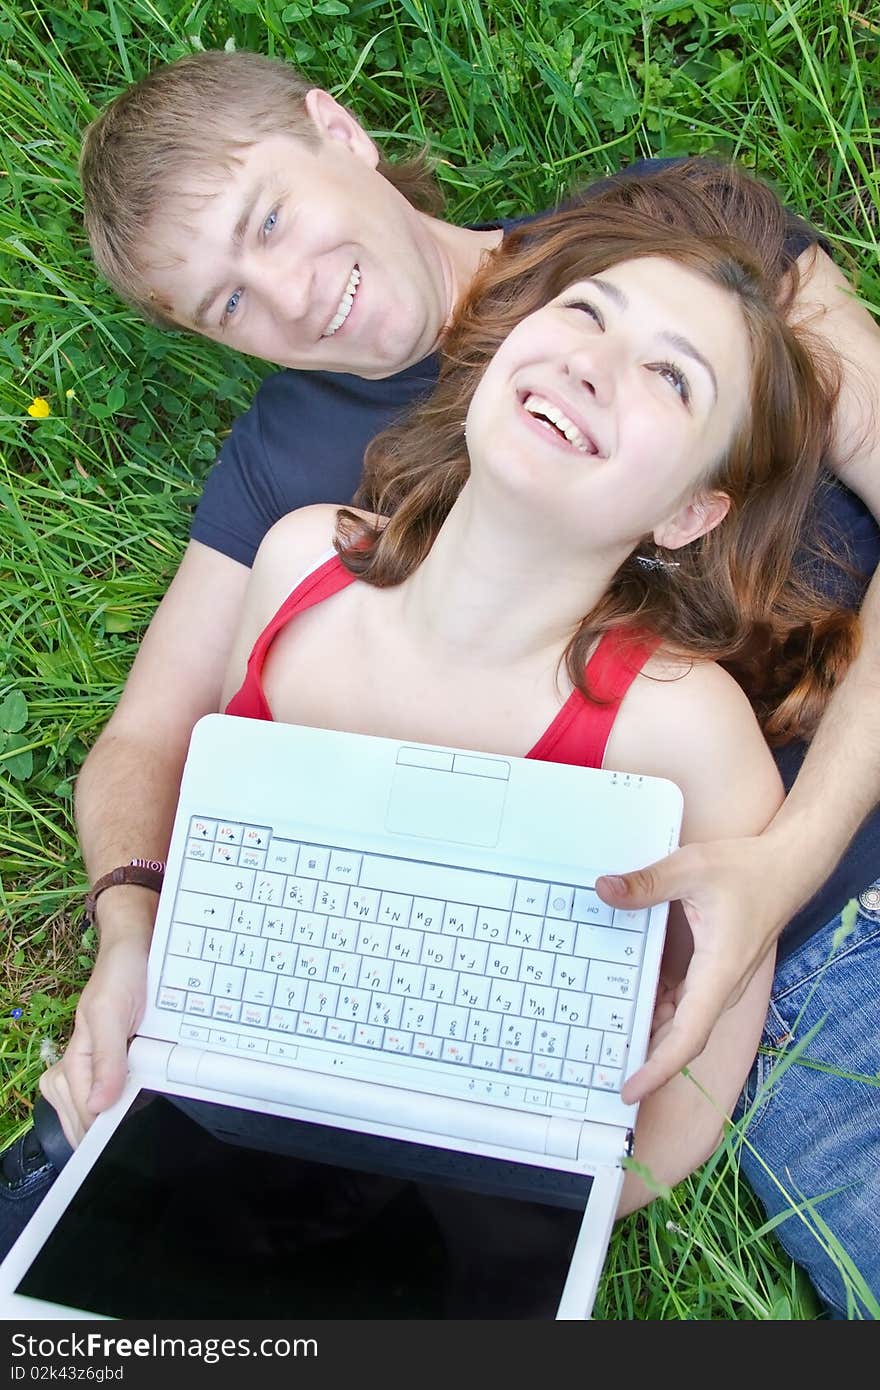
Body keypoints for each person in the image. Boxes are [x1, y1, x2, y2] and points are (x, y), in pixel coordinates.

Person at [6, 51, 877, 1313]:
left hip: (806, 901)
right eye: (227, 307)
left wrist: (789, 857)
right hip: (555, 974)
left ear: (337, 129)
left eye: (269, 221)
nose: (293, 301)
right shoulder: (290, 487)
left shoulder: (664, 249)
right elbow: (147, 738)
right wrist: (135, 935)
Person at [216, 183, 849, 1217]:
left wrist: (550, 1208)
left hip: (464, 1188)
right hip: (223, 1090)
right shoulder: (297, 566)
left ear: (687, 514)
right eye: (586, 313)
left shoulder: (681, 729)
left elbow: (691, 1080)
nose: (590, 364)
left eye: (669, 379)